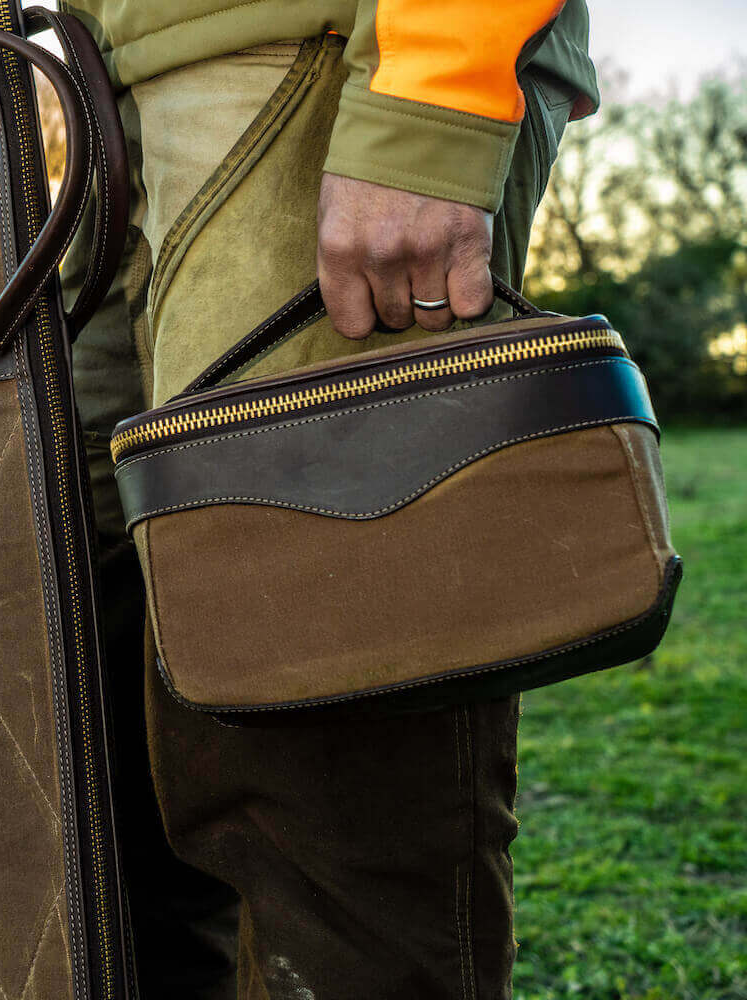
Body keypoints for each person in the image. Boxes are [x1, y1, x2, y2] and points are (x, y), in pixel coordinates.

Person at [59, 2, 599, 997]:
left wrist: (427, 111)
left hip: (317, 57)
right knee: (99, 735)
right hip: (104, 91)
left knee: (329, 764)